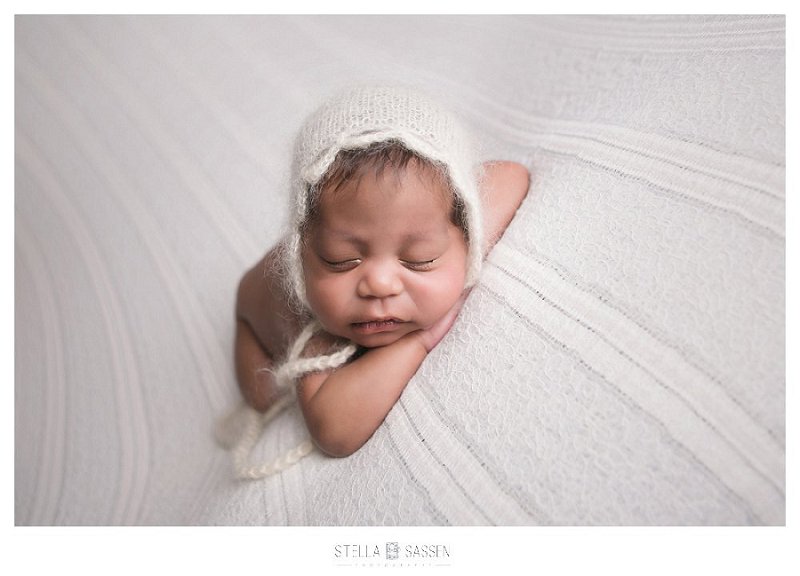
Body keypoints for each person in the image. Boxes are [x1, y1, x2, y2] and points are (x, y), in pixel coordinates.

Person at [232, 86, 529, 465]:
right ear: (302, 259)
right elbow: (334, 430)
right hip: (252, 313)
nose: (380, 285)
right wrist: (418, 341)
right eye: (341, 261)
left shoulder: (441, 217)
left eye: (420, 259)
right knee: (263, 396)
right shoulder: (317, 330)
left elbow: (511, 176)